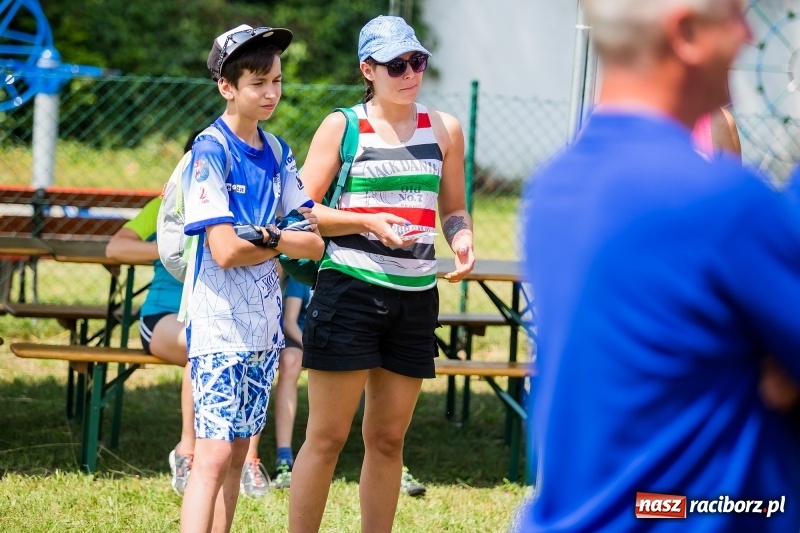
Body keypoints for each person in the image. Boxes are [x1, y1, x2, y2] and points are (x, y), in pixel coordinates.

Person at [517, 1, 800, 531]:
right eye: (735, 17)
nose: (747, 35)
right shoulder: (721, 201)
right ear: (687, 33)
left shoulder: (556, 186)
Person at [288, 15, 474, 532]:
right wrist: (367, 221)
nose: (410, 72)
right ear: (368, 70)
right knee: (326, 438)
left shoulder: (445, 129)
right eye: (397, 65)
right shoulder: (343, 126)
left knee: (389, 440)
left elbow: (453, 207)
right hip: (349, 290)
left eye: (417, 61)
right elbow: (301, 210)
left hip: (415, 299)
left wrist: (461, 237)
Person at [179, 23, 324, 532]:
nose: (271, 93)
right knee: (211, 459)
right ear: (227, 87)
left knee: (239, 458)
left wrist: (263, 236)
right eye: (258, 83)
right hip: (218, 328)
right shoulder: (210, 151)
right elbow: (221, 250)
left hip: (264, 332)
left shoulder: (280, 151)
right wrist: (276, 237)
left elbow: (312, 240)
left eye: (277, 82)